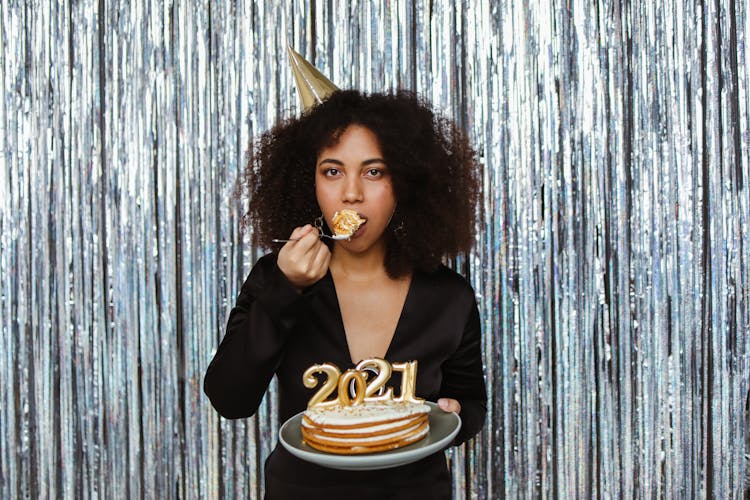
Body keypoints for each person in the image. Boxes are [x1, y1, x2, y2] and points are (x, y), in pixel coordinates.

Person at [203, 86, 487, 499]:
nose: (351, 193)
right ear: (309, 182)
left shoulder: (449, 295)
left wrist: (457, 416)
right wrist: (286, 290)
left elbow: (470, 403)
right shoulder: (276, 277)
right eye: (332, 171)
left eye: (374, 172)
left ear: (404, 183)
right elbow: (230, 398)